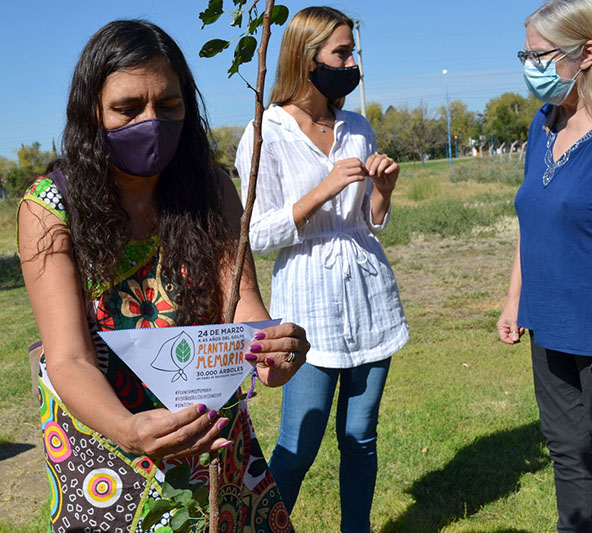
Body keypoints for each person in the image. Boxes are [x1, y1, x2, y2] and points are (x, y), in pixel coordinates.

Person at [18, 19, 310, 533]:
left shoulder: (210, 188)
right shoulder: (50, 208)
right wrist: (128, 429)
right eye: (128, 109)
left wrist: (271, 350)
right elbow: (68, 357)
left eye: (169, 106)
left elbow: (240, 302)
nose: (151, 122)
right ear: (92, 112)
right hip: (104, 449)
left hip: (210, 435)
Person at [235, 7, 409, 532]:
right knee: (297, 446)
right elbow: (256, 235)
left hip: (369, 298)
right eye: (342, 53)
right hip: (306, 309)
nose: (352, 62)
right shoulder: (265, 133)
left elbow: (369, 223)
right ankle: (261, 527)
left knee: (360, 438)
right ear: (306, 57)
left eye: (353, 51)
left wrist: (382, 193)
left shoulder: (358, 127)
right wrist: (323, 188)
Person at [498, 1, 592, 530]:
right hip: (548, 321)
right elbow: (531, 221)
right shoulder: (542, 126)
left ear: (586, 54)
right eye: (525, 54)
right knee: (568, 451)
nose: (530, 66)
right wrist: (515, 298)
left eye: (541, 54)